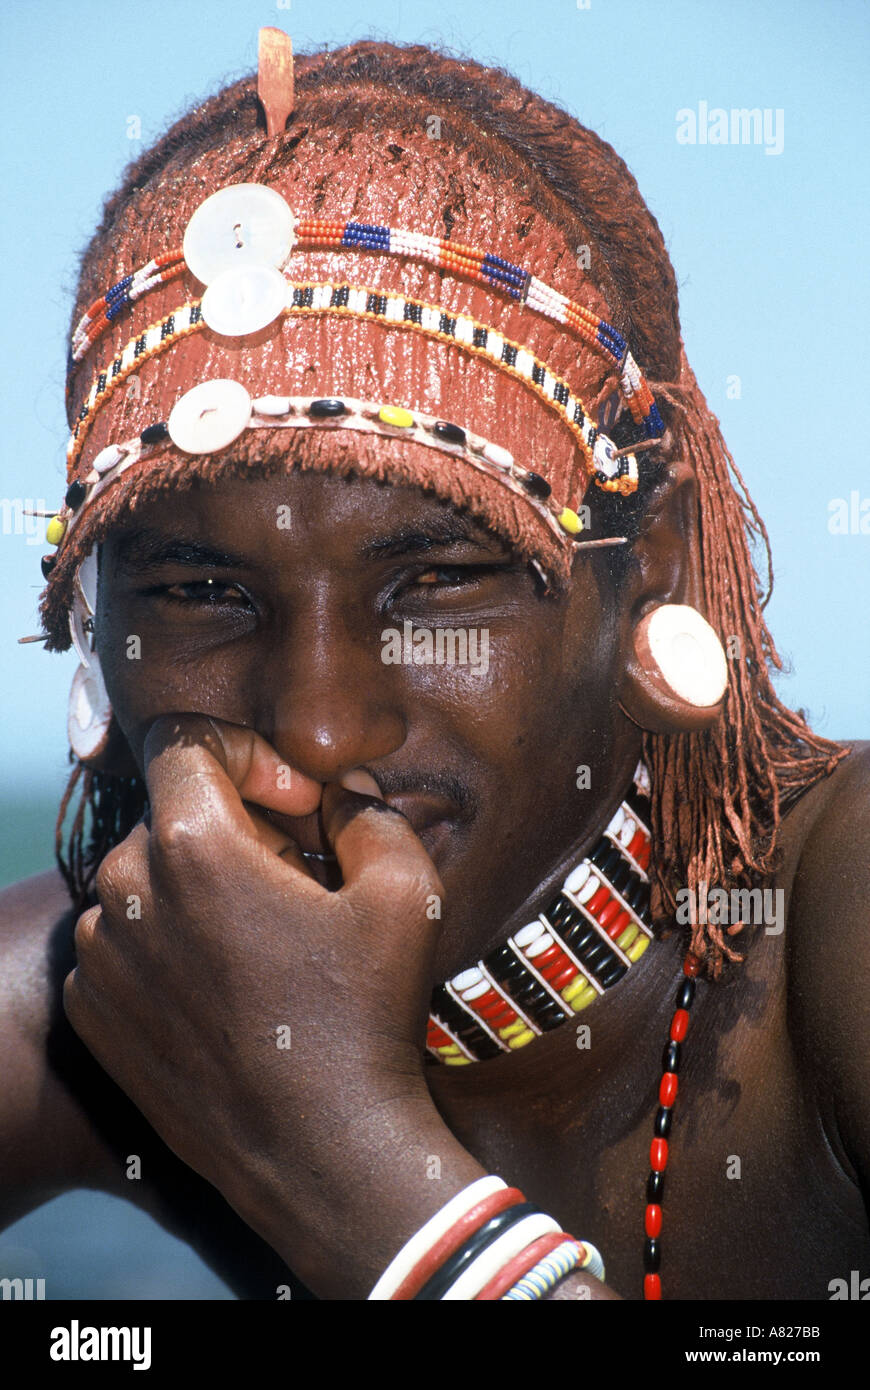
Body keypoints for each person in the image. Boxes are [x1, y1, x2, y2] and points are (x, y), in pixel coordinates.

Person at [2, 31, 867, 1302]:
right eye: (201, 593)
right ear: (93, 616)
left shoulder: (837, 928)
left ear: (661, 569)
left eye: (436, 582)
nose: (322, 725)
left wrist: (344, 1161)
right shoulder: (111, 997)